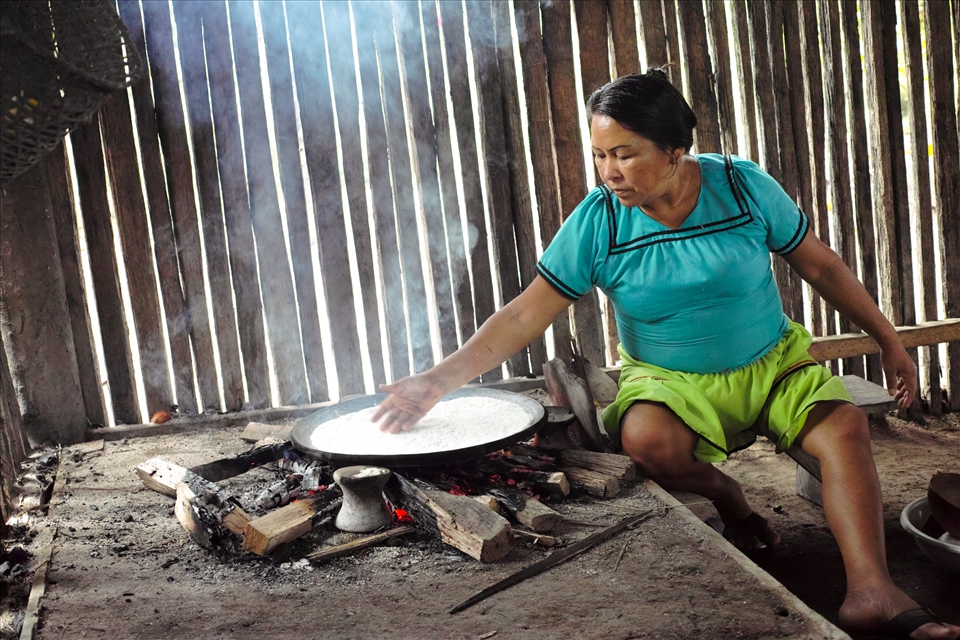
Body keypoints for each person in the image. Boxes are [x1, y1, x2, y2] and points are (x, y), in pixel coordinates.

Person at [372, 70, 958, 640]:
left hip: (772, 366)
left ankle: (871, 591)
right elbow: (526, 313)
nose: (609, 173)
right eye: (600, 156)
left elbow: (821, 264)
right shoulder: (599, 221)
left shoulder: (742, 185)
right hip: (669, 381)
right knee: (647, 441)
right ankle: (728, 493)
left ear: (676, 149)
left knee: (845, 428)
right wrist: (438, 381)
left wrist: (889, 340)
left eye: (624, 154)